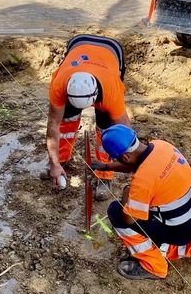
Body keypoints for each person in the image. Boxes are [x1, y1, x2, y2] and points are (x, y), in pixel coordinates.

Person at [96, 125, 191, 280]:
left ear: (125, 157)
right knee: (160, 208)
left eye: (117, 159)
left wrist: (127, 192)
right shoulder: (162, 146)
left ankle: (154, 265)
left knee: (116, 212)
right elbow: (134, 164)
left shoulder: (142, 182)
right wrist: (106, 167)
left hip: (178, 231)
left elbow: (129, 219)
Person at [45, 34, 130, 200]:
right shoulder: (59, 85)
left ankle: (105, 176)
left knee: (108, 129)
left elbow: (125, 129)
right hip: (78, 43)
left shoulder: (111, 91)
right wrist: (54, 162)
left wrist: (133, 162)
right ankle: (60, 163)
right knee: (66, 121)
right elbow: (52, 126)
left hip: (112, 50)